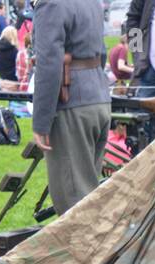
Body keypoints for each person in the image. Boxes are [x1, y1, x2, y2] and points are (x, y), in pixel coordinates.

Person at [31, 0, 109, 216]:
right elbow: (101, 53)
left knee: (74, 205)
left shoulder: (50, 4)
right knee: (88, 197)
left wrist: (41, 122)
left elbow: (48, 63)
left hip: (72, 103)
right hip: (98, 99)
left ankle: (89, 250)